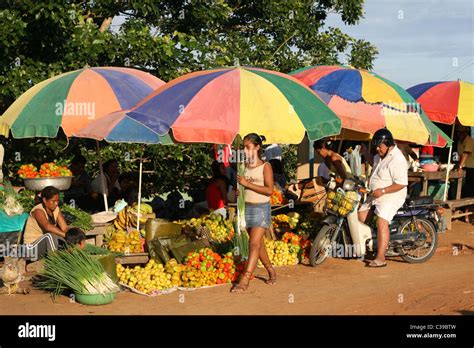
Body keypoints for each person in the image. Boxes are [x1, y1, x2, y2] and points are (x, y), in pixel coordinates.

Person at [231, 133, 275, 292]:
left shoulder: (266, 166)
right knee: (258, 244)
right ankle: (270, 270)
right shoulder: (243, 166)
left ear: (257, 147)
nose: (245, 150)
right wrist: (239, 191)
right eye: (243, 146)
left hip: (261, 209)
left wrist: (247, 184)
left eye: (248, 147)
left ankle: (245, 279)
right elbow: (241, 187)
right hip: (246, 208)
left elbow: (269, 190)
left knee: (253, 244)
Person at [358, 129, 408, 267]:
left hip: (392, 195)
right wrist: (365, 153)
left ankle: (381, 257)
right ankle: (376, 242)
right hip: (376, 194)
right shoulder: (379, 156)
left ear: (388, 144)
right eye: (376, 146)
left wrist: (384, 190)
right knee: (360, 217)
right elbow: (374, 164)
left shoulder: (397, 159)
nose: (377, 149)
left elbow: (402, 183)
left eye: (380, 146)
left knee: (381, 222)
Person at [23, 186, 69, 260]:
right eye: (53, 201)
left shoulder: (56, 209)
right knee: (50, 236)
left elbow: (64, 227)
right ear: (44, 200)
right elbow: (47, 227)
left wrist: (72, 235)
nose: (56, 203)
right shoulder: (38, 210)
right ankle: (54, 264)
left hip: (44, 245)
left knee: (67, 236)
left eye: (57, 201)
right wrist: (66, 235)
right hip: (31, 248)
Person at [457, 126, 474, 222]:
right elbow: (460, 155)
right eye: (458, 132)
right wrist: (459, 166)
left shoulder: (470, 141)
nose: (459, 134)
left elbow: (466, 154)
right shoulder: (459, 142)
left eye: (460, 132)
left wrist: (460, 166)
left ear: (465, 132)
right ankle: (465, 213)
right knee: (465, 190)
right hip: (466, 168)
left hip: (472, 168)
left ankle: (468, 214)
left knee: (469, 191)